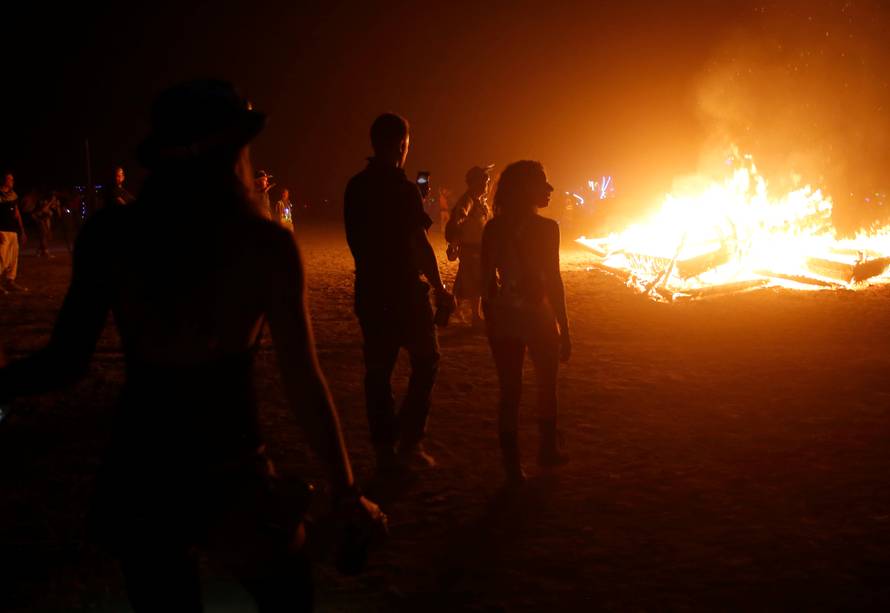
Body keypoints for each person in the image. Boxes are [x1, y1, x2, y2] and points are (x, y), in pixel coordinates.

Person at [0, 80, 385, 611]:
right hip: (230, 464)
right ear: (236, 151)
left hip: (143, 468)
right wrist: (344, 489)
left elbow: (66, 361)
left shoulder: (114, 235)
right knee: (288, 594)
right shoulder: (264, 245)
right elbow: (301, 378)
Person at [344, 113, 455, 472]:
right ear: (401, 145)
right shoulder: (404, 190)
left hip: (371, 291)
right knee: (427, 360)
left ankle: (384, 450)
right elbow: (420, 245)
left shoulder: (355, 186)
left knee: (378, 372)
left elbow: (356, 242)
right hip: (406, 292)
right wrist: (439, 288)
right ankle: (409, 440)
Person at [481, 160, 571, 486]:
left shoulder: (493, 228)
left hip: (504, 317)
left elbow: (486, 281)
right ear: (525, 189)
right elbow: (555, 280)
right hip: (538, 315)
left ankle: (512, 467)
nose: (548, 189)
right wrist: (564, 326)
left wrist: (491, 313)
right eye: (542, 183)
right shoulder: (548, 228)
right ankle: (546, 451)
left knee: (510, 391)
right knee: (547, 384)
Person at [446, 165, 494, 328]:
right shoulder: (468, 200)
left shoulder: (479, 201)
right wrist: (454, 243)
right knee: (475, 282)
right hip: (470, 249)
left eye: (487, 182)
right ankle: (474, 316)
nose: (486, 185)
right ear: (474, 183)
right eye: (484, 181)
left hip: (478, 248)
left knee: (464, 283)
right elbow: (457, 219)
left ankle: (446, 312)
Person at [0, 172, 28, 292]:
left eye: (12, 180)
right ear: (4, 180)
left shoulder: (13, 195)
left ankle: (10, 281)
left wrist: (22, 230)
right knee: (2, 257)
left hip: (13, 230)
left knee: (13, 257)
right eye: (9, 179)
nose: (12, 181)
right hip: (2, 230)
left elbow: (17, 213)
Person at [32, 190, 62, 258]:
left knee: (47, 235)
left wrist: (58, 206)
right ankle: (45, 251)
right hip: (41, 219)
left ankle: (40, 251)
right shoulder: (44, 201)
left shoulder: (56, 202)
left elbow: (59, 214)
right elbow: (43, 210)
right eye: (53, 196)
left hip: (48, 219)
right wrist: (50, 202)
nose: (54, 197)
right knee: (44, 234)